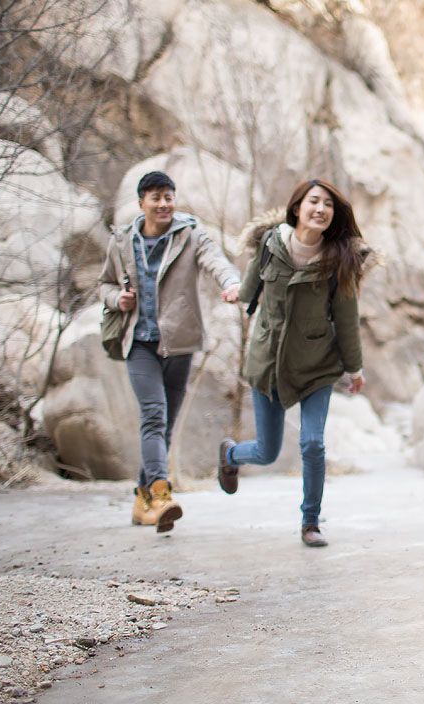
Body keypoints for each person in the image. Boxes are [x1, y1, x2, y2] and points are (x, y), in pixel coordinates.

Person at [217, 179, 369, 548]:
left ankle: (310, 522)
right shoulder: (270, 246)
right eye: (313, 201)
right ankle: (231, 454)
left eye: (328, 205)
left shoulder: (341, 260)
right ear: (297, 207)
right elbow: (250, 290)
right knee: (267, 452)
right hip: (269, 362)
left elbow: (346, 320)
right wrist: (236, 291)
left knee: (313, 444)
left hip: (317, 365)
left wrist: (355, 368)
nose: (321, 209)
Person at [99, 170, 241, 533]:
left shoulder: (190, 235)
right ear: (141, 203)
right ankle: (161, 495)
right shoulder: (121, 241)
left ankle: (141, 501)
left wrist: (231, 283)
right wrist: (118, 298)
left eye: (169, 197)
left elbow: (215, 260)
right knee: (154, 414)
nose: (164, 204)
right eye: (156, 197)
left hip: (179, 344)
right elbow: (105, 285)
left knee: (164, 424)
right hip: (140, 343)